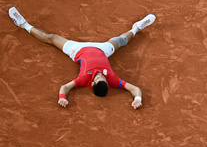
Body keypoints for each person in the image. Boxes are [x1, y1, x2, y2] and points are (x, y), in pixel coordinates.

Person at [8, 6, 156, 110]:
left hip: (77, 50)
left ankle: (22, 24)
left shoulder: (84, 79)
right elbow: (135, 89)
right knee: (122, 40)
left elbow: (65, 87)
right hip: (102, 49)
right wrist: (138, 99)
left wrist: (62, 97)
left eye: (98, 79)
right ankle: (137, 27)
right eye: (102, 78)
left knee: (51, 38)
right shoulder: (112, 80)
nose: (100, 75)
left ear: (93, 84)